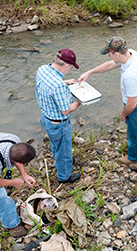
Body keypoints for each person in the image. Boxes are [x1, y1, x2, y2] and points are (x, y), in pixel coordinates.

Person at [78, 36, 137, 165]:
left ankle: (133, 159)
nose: (108, 56)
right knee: (135, 129)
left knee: (134, 134)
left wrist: (124, 114)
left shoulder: (130, 75)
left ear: (117, 53)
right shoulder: (133, 54)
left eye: (110, 54)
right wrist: (90, 72)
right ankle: (135, 150)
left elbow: (131, 104)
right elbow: (110, 65)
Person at [36, 49, 81, 183]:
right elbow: (66, 110)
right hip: (59, 124)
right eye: (71, 67)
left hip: (46, 118)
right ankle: (64, 176)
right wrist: (81, 101)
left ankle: (60, 163)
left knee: (56, 145)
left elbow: (50, 84)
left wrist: (65, 81)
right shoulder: (58, 86)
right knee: (64, 150)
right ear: (66, 66)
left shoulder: (42, 69)